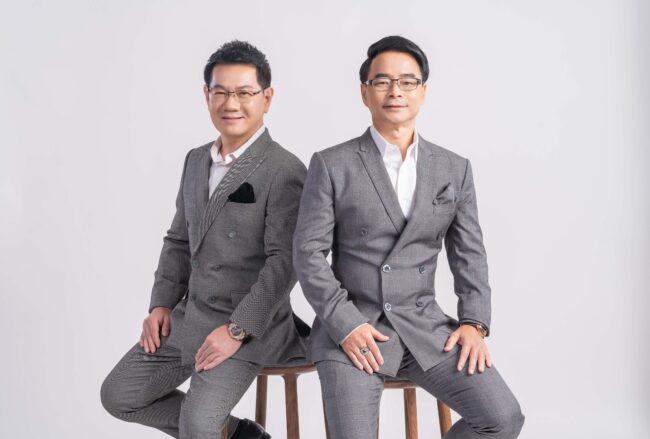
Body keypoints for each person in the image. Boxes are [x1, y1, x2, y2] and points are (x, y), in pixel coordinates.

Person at [293, 35, 525, 439]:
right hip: (353, 330)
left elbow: (470, 255)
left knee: (503, 418)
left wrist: (474, 323)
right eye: (382, 82)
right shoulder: (332, 164)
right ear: (364, 92)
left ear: (423, 91)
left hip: (425, 328)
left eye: (407, 82)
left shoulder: (454, 168)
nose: (395, 91)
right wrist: (346, 324)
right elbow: (308, 254)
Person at [101, 40, 309, 439]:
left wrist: (236, 330)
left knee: (198, 425)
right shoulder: (196, 160)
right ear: (206, 95)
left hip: (249, 324)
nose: (231, 103)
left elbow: (285, 264)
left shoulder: (285, 169)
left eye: (244, 93)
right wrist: (162, 303)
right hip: (190, 314)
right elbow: (178, 239)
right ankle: (241, 435)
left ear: (266, 98)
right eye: (221, 92)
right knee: (119, 395)